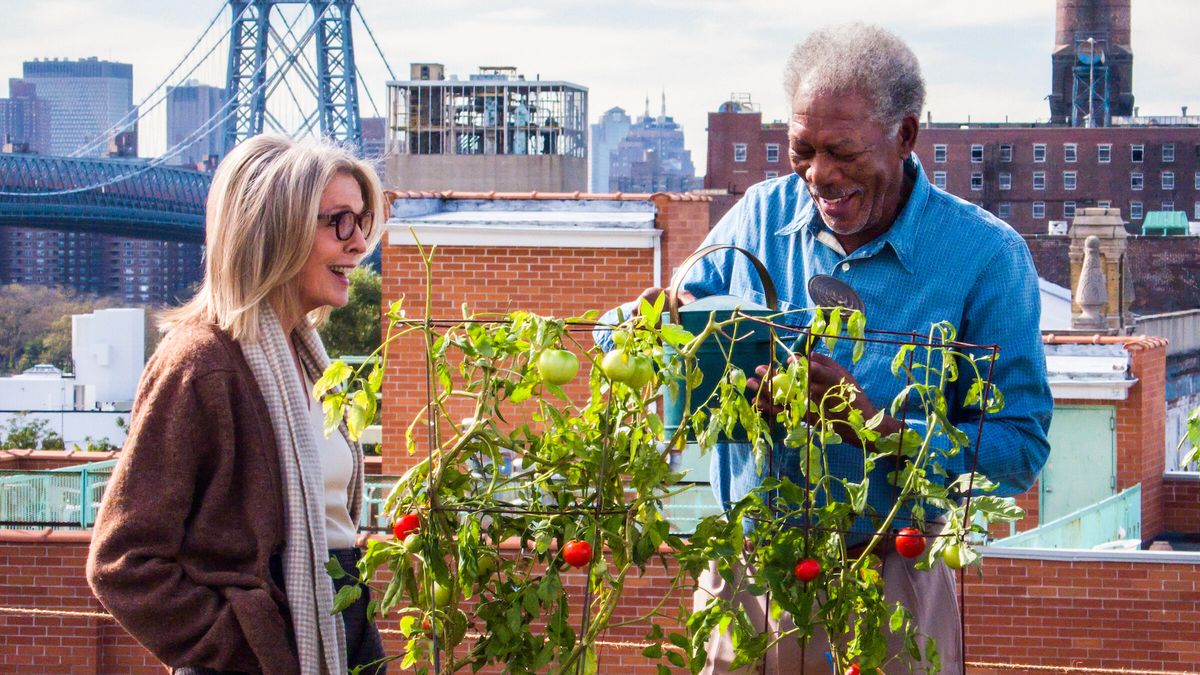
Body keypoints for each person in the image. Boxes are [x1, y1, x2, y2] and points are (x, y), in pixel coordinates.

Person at [597, 23, 1052, 674]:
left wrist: (878, 426)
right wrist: (649, 323)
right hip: (748, 575)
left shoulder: (985, 256)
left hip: (890, 574)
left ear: (905, 136)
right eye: (802, 150)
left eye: (841, 151)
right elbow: (629, 331)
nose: (820, 174)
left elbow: (1019, 448)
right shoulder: (758, 215)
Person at [87, 135, 389, 674]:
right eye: (338, 221)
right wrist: (245, 648)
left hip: (338, 631)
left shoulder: (311, 362)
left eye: (363, 221)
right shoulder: (203, 366)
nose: (359, 243)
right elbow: (122, 562)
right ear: (274, 232)